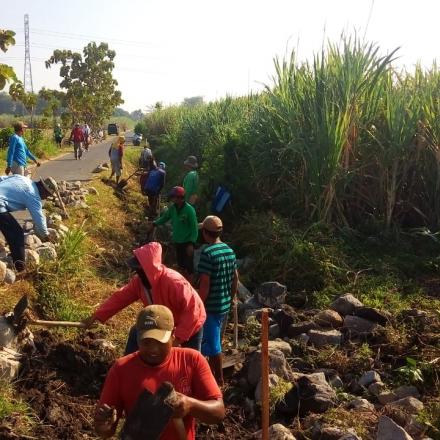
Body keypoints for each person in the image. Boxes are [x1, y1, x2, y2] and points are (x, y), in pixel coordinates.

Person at [94, 305, 224, 440]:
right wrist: (103, 427)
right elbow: (105, 430)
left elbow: (219, 412)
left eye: (160, 341)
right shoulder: (121, 369)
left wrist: (190, 405)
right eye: (146, 342)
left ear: (173, 334)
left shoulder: (192, 360)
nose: (153, 349)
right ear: (137, 336)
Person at [81, 241, 206, 353]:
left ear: (149, 268)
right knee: (136, 333)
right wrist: (97, 315)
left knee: (189, 362)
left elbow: (192, 311)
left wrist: (177, 339)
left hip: (190, 326)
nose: (136, 271)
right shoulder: (140, 282)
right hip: (163, 324)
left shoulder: (173, 282)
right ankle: (130, 369)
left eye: (138, 268)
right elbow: (120, 298)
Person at [197, 216, 238, 386]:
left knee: (214, 347)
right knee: (216, 341)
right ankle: (210, 373)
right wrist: (231, 297)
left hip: (211, 307)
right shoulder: (228, 250)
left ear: (205, 233)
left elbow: (204, 285)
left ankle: (218, 380)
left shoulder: (207, 253)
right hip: (224, 305)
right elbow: (235, 278)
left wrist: (198, 305)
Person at [0, 175, 60, 271]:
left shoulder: (22, 178)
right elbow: (39, 218)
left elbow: (1, 178)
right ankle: (20, 268)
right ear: (44, 190)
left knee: (10, 230)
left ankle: (14, 255)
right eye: (47, 194)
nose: (45, 197)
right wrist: (46, 236)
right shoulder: (33, 195)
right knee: (17, 234)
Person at [150, 186, 198, 280]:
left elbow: (194, 228)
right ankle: (182, 282)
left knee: (189, 266)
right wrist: (155, 223)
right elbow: (165, 217)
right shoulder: (173, 208)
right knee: (181, 264)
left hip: (187, 242)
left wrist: (191, 243)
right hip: (178, 241)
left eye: (173, 197)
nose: (172, 199)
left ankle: (191, 284)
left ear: (180, 197)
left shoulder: (189, 210)